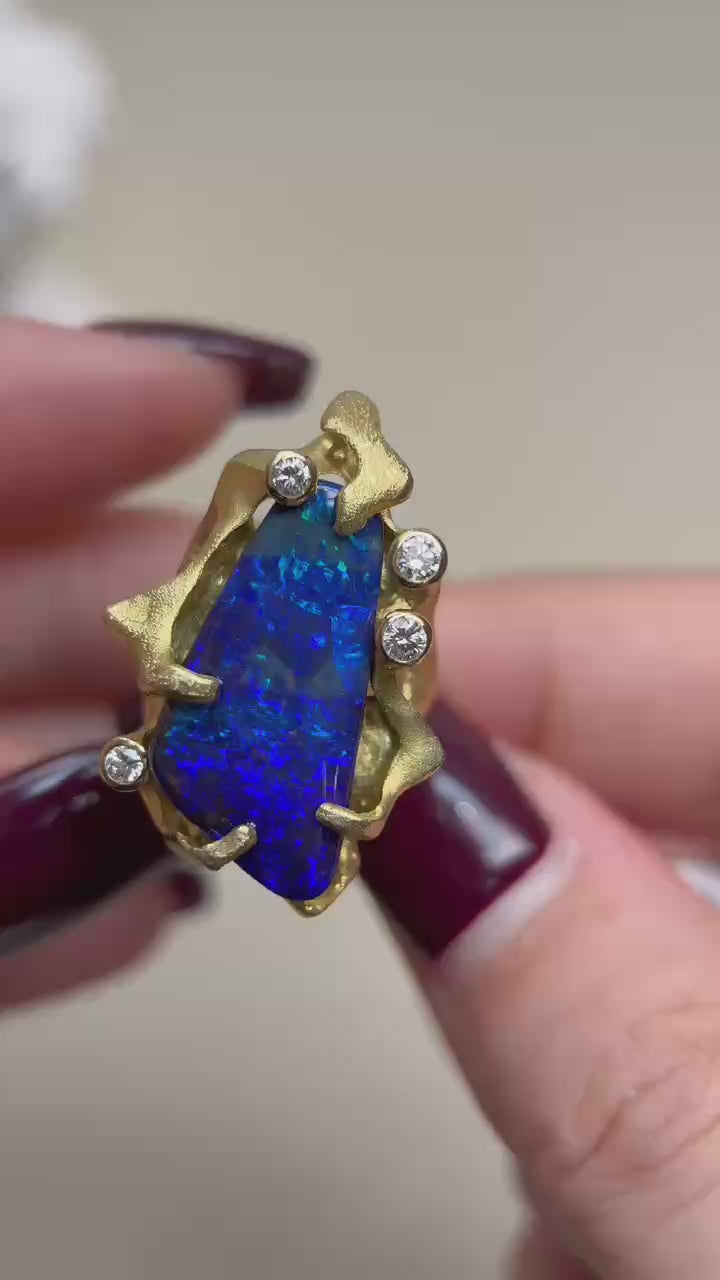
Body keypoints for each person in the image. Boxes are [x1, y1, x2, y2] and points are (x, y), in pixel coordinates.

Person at [4, 315, 720, 1279]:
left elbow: (390, 700)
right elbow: (197, 591)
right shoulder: (277, 517)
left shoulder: (330, 554)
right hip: (229, 748)